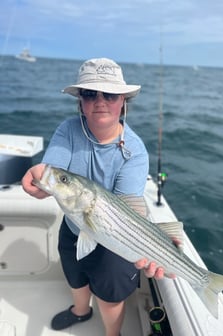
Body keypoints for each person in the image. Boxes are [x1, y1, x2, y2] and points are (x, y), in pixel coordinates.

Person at [22, 58, 165, 336]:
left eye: (109, 94)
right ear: (80, 101)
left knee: (110, 295)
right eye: (90, 93)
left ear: (122, 100)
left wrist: (151, 249)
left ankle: (113, 334)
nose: (100, 101)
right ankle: (81, 311)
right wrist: (40, 174)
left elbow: (128, 211)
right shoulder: (68, 129)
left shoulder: (134, 152)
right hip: (76, 223)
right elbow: (52, 172)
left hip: (118, 237)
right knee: (75, 275)